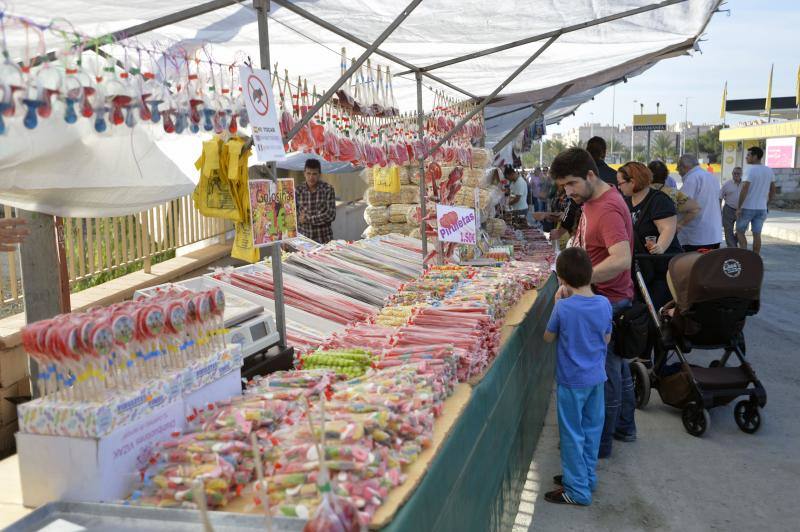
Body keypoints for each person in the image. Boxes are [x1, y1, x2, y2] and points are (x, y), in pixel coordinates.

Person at [550, 147, 636, 459]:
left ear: (590, 175)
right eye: (563, 187)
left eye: (571, 184)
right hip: (610, 297)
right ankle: (625, 427)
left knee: (606, 376)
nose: (568, 192)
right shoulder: (593, 201)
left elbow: (622, 259)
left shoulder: (607, 208)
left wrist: (580, 282)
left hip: (608, 300)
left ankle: (600, 445)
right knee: (618, 369)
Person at [543, 246, 612, 506]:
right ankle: (586, 478)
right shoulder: (604, 303)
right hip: (597, 379)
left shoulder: (563, 308)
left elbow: (548, 337)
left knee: (571, 434)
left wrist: (556, 306)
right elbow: (606, 338)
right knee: (591, 431)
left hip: (572, 381)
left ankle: (576, 490)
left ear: (561, 279)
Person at [617, 162, 683, 310]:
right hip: (641, 269)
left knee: (656, 309)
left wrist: (660, 246)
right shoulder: (626, 202)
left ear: (632, 181)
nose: (619, 187)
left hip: (662, 269)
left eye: (620, 183)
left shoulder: (659, 200)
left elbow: (667, 228)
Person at [677, 154, 722, 251]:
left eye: (678, 167)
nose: (678, 171)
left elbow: (683, 204)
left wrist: (679, 223)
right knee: (709, 265)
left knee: (694, 265)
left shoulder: (692, 178)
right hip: (714, 234)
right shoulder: (711, 177)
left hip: (697, 235)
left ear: (684, 167)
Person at [736, 147, 776, 255]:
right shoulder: (769, 170)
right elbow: (773, 189)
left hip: (747, 207)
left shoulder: (749, 169)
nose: (746, 157)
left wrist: (739, 207)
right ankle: (756, 257)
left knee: (740, 232)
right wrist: (767, 203)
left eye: (748, 155)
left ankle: (744, 256)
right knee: (757, 234)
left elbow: (745, 188)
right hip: (762, 208)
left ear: (755, 157)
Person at [648, 160, 700, 236]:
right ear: (666, 175)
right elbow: (695, 208)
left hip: (646, 236)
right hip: (668, 234)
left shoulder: (640, 192)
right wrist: (679, 224)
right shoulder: (674, 193)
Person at [295, 158, 336, 243]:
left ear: (319, 174)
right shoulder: (297, 190)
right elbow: (293, 216)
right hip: (304, 241)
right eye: (308, 173)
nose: (311, 177)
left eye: (314, 174)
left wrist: (306, 219)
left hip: (324, 240)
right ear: (304, 174)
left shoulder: (328, 189)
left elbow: (330, 215)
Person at [719, 167, 742, 248]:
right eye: (734, 173)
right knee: (728, 230)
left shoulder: (745, 184)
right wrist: (719, 209)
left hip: (741, 210)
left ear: (741, 174)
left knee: (741, 230)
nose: (736, 175)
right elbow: (720, 197)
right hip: (729, 209)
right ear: (732, 174)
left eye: (738, 173)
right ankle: (732, 248)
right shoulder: (727, 184)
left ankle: (733, 243)